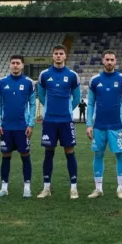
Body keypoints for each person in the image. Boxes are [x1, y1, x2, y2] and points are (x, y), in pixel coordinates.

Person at [85, 50, 122, 199]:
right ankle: (98, 189)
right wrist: (89, 124)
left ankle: (120, 188)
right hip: (99, 126)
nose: (110, 62)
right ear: (103, 61)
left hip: (117, 125)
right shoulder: (94, 80)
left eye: (112, 59)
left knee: (120, 154)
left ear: (115, 61)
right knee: (98, 154)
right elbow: (91, 104)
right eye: (107, 59)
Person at [37, 45, 81, 199]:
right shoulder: (44, 75)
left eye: (61, 53)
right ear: (52, 55)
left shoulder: (72, 75)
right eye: (56, 53)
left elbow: (76, 98)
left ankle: (73, 188)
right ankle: (46, 188)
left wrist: (67, 110)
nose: (58, 56)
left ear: (65, 56)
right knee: (48, 153)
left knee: (69, 152)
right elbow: (41, 96)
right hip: (49, 120)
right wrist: (49, 108)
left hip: (66, 120)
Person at [0, 54, 37, 198]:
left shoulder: (29, 83)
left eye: (18, 63)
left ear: (22, 65)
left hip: (22, 127)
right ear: (9, 64)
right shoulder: (2, 82)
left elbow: (32, 104)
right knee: (5, 156)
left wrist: (30, 124)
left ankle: (27, 188)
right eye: (13, 63)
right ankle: (4, 187)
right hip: (6, 127)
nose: (15, 65)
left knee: (25, 156)